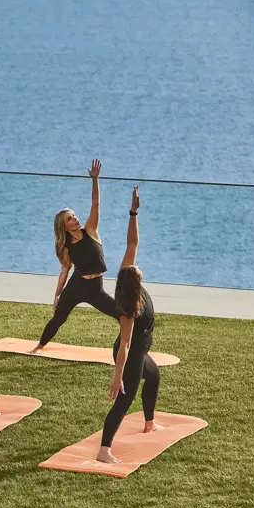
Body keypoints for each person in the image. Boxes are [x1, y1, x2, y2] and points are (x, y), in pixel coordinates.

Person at [97, 186, 162, 463]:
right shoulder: (129, 309)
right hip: (130, 356)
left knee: (155, 376)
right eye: (136, 270)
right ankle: (104, 450)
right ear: (135, 284)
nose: (137, 266)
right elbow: (124, 345)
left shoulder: (126, 276)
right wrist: (117, 376)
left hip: (139, 352)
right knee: (124, 400)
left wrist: (133, 211)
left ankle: (149, 423)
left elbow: (131, 244)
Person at [33, 159, 118, 353]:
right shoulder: (66, 247)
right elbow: (65, 270)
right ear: (64, 226)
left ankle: (129, 346)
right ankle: (39, 346)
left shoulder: (91, 231)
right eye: (69, 218)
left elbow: (95, 204)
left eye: (74, 215)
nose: (75, 218)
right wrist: (57, 294)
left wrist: (95, 180)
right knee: (59, 318)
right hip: (76, 287)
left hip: (96, 289)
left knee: (120, 314)